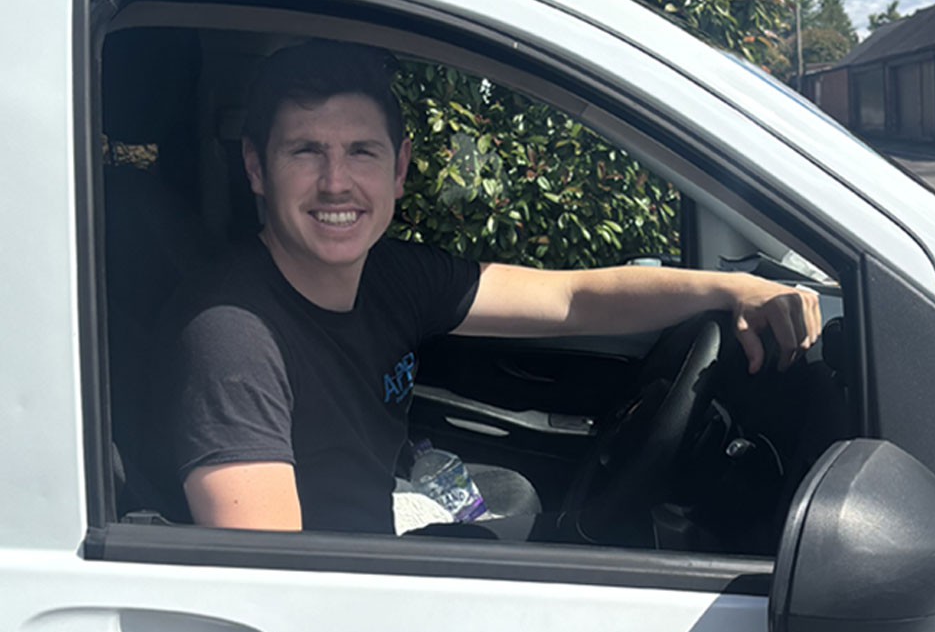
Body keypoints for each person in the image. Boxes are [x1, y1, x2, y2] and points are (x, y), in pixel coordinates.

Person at [152, 40, 821, 535]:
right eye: (305, 152)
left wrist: (734, 290)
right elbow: (267, 584)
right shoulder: (232, 336)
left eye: (361, 152)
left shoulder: (391, 276)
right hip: (338, 616)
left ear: (400, 168)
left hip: (366, 556)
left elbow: (571, 300)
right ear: (256, 169)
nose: (335, 183)